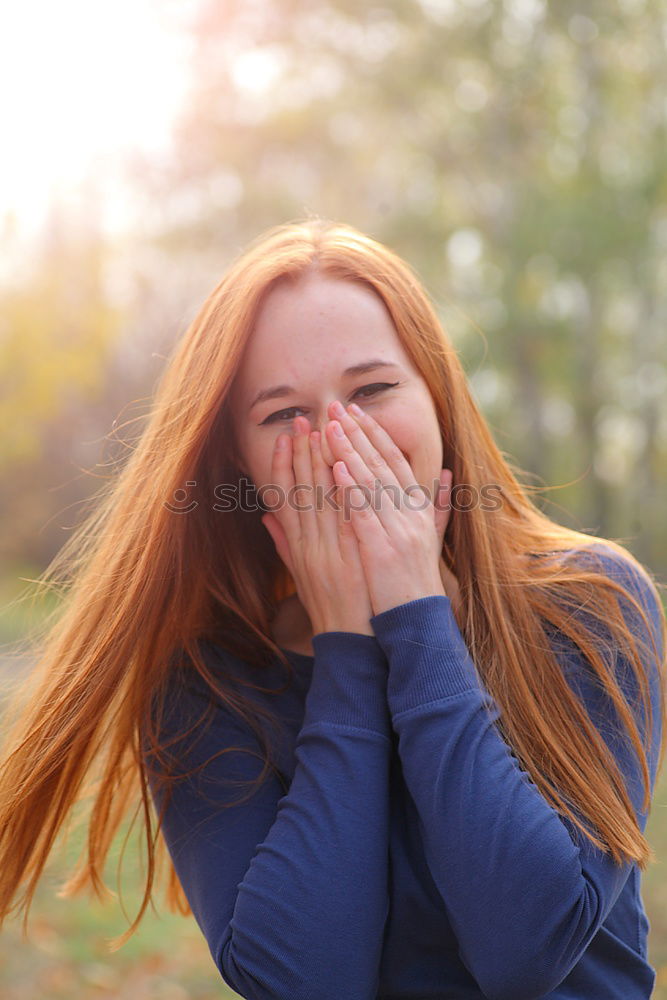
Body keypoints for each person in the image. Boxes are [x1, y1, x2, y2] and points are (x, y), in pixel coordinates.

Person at [0, 219, 665, 1000]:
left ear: (440, 400)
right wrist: (347, 645)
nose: (339, 444)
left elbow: (527, 953)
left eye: (374, 390)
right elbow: (305, 982)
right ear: (236, 464)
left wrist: (413, 609)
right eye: (283, 414)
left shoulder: (591, 604)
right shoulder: (205, 677)